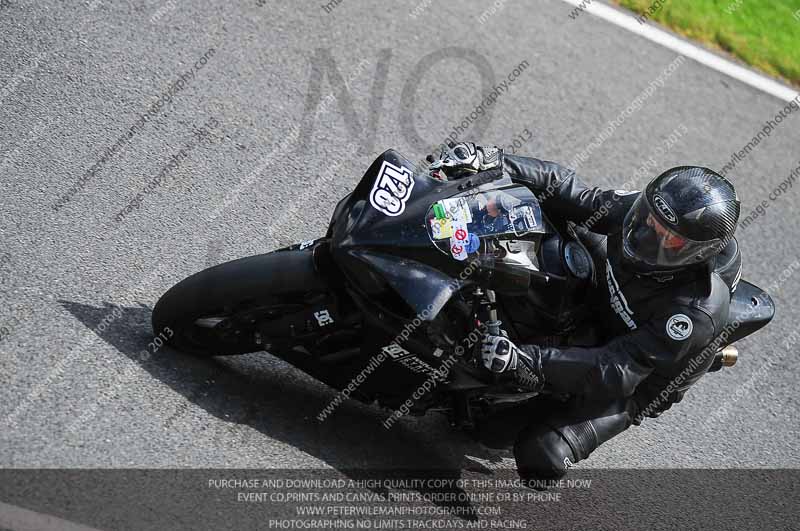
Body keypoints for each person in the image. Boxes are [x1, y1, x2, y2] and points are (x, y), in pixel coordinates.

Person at [428, 142, 742, 482]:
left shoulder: (694, 311)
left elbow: (615, 369)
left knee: (535, 455)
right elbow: (572, 193)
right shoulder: (646, 214)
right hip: (608, 295)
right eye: (651, 220)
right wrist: (493, 161)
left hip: (632, 379)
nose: (649, 235)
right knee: (546, 225)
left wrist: (525, 361)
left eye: (670, 239)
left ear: (697, 254)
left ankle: (542, 401)